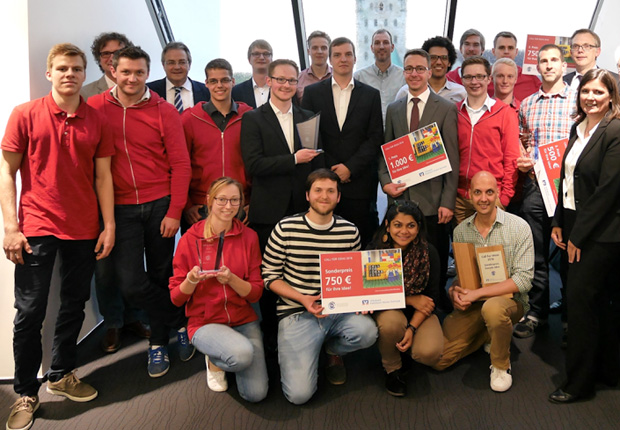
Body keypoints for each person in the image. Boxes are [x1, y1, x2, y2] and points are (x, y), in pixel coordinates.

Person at [1, 43, 115, 430]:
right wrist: (11, 227)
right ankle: (25, 393)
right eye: (62, 68)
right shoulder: (25, 114)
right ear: (49, 73)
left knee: (73, 304)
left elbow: (103, 176)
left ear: (85, 74)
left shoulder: (96, 118)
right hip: (35, 228)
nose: (70, 74)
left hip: (84, 227)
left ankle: (62, 374)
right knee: (29, 312)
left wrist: (109, 224)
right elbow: (7, 173)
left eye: (77, 69)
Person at [88, 46, 193, 378]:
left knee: (162, 276)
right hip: (120, 208)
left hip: (161, 205)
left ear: (148, 74)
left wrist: (175, 211)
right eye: (126, 72)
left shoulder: (164, 110)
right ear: (113, 71)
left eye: (139, 73)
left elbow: (181, 164)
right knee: (130, 282)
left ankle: (158, 344)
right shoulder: (95, 108)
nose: (132, 78)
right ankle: (179, 320)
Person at [262, 168, 378, 405]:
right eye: (318, 190)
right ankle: (312, 348)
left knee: (368, 333)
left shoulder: (349, 231)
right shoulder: (285, 228)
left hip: (337, 310)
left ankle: (332, 350)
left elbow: (354, 275)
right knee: (299, 395)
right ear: (307, 195)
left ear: (338, 197)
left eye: (330, 191)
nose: (324, 196)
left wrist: (361, 300)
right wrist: (302, 298)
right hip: (297, 313)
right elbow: (270, 277)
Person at [548, 69, 620, 404]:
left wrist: (578, 235)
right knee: (597, 305)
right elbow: (568, 180)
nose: (591, 97)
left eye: (599, 92)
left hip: (602, 233)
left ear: (611, 96)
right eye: (586, 91)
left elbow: (608, 191)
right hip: (576, 223)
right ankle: (607, 370)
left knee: (580, 307)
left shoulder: (615, 130)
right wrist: (559, 221)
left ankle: (579, 383)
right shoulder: (579, 129)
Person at [433, 171, 534, 393]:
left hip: (510, 302)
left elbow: (524, 280)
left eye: (489, 192)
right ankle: (492, 332)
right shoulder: (461, 231)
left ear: (497, 193)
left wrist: (477, 295)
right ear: (469, 195)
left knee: (493, 309)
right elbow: (462, 277)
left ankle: (500, 364)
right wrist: (454, 292)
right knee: (439, 359)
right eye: (477, 192)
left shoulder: (519, 227)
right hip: (476, 303)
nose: (484, 198)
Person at [169, 177, 268, 402]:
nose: (228, 206)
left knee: (256, 394)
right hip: (206, 321)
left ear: (242, 203)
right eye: (221, 199)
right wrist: (191, 280)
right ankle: (214, 359)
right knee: (242, 355)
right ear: (209, 201)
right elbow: (176, 298)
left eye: (234, 200)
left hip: (243, 318)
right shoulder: (189, 239)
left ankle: (231, 349)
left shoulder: (249, 237)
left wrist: (232, 279)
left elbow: (255, 292)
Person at [380, 48, 459, 311]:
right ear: (404, 72)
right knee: (398, 261)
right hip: (401, 199)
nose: (414, 74)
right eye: (409, 69)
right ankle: (400, 308)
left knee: (433, 260)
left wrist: (447, 201)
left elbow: (452, 158)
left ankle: (433, 313)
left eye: (419, 69)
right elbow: (386, 152)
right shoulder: (394, 109)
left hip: (433, 202)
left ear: (429, 71)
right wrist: (384, 181)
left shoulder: (446, 108)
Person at [511, 44, 576, 339]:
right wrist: (524, 159)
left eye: (554, 60)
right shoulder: (526, 104)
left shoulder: (577, 101)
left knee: (568, 254)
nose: (549, 65)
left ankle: (568, 316)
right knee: (535, 253)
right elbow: (525, 143)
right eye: (543, 61)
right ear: (536, 67)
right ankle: (536, 311)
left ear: (563, 65)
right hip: (537, 188)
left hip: (569, 189)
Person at [302, 37, 383, 246]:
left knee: (359, 240)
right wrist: (329, 171)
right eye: (337, 55)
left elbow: (375, 138)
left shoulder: (371, 95)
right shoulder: (312, 93)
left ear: (355, 59)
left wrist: (350, 168)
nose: (343, 59)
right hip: (322, 181)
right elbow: (310, 136)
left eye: (348, 54)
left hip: (359, 182)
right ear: (330, 59)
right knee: (323, 241)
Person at [368, 201, 443, 397]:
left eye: (411, 225)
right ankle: (392, 367)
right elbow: (371, 294)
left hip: (420, 313)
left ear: (418, 228)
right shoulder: (375, 251)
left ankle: (405, 346)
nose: (404, 231)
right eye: (397, 225)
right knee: (391, 324)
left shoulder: (429, 253)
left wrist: (412, 328)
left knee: (430, 352)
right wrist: (410, 299)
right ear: (388, 226)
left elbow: (432, 297)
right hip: (389, 311)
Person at [182, 58, 252, 233]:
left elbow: (258, 163)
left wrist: (255, 203)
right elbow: (181, 165)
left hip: (240, 205)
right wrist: (187, 205)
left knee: (240, 258)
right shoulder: (189, 119)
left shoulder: (250, 117)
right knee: (202, 260)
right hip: (201, 207)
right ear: (206, 84)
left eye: (224, 80)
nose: (219, 85)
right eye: (213, 81)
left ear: (233, 81)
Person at [454, 56, 521, 224]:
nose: (474, 81)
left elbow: (511, 158)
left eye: (480, 76)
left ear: (489, 79)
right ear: (462, 80)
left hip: (491, 197)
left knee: (490, 250)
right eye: (468, 77)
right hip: (460, 199)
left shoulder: (505, 113)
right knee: (463, 250)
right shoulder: (454, 112)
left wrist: (504, 197)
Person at [395, 36, 466, 103]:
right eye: (433, 57)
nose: (438, 62)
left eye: (444, 58)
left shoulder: (461, 93)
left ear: (449, 62)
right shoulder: (406, 92)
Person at [354, 29, 406, 121]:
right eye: (377, 43)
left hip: (397, 132)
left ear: (392, 47)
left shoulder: (404, 77)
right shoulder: (358, 77)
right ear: (372, 48)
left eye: (385, 42)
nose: (381, 46)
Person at [147, 41, 210, 113]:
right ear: (163, 65)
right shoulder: (149, 91)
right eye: (171, 62)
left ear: (189, 64)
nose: (177, 67)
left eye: (182, 62)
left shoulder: (207, 92)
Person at [81, 32, 132, 100]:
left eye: (118, 52)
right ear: (99, 59)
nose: (112, 58)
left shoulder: (143, 90)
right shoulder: (85, 94)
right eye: (106, 53)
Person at [491, 31, 540, 101]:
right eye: (501, 48)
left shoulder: (531, 78)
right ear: (493, 51)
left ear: (516, 52)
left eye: (510, 48)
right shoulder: (483, 78)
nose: (506, 51)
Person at [232, 39, 273, 108]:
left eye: (266, 54)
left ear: (272, 59)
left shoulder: (280, 89)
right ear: (249, 59)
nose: (261, 57)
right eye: (256, 54)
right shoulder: (236, 91)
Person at [297, 31, 332, 103]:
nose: (319, 52)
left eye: (324, 48)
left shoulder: (338, 77)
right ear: (308, 51)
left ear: (329, 51)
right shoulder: (298, 79)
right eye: (315, 48)